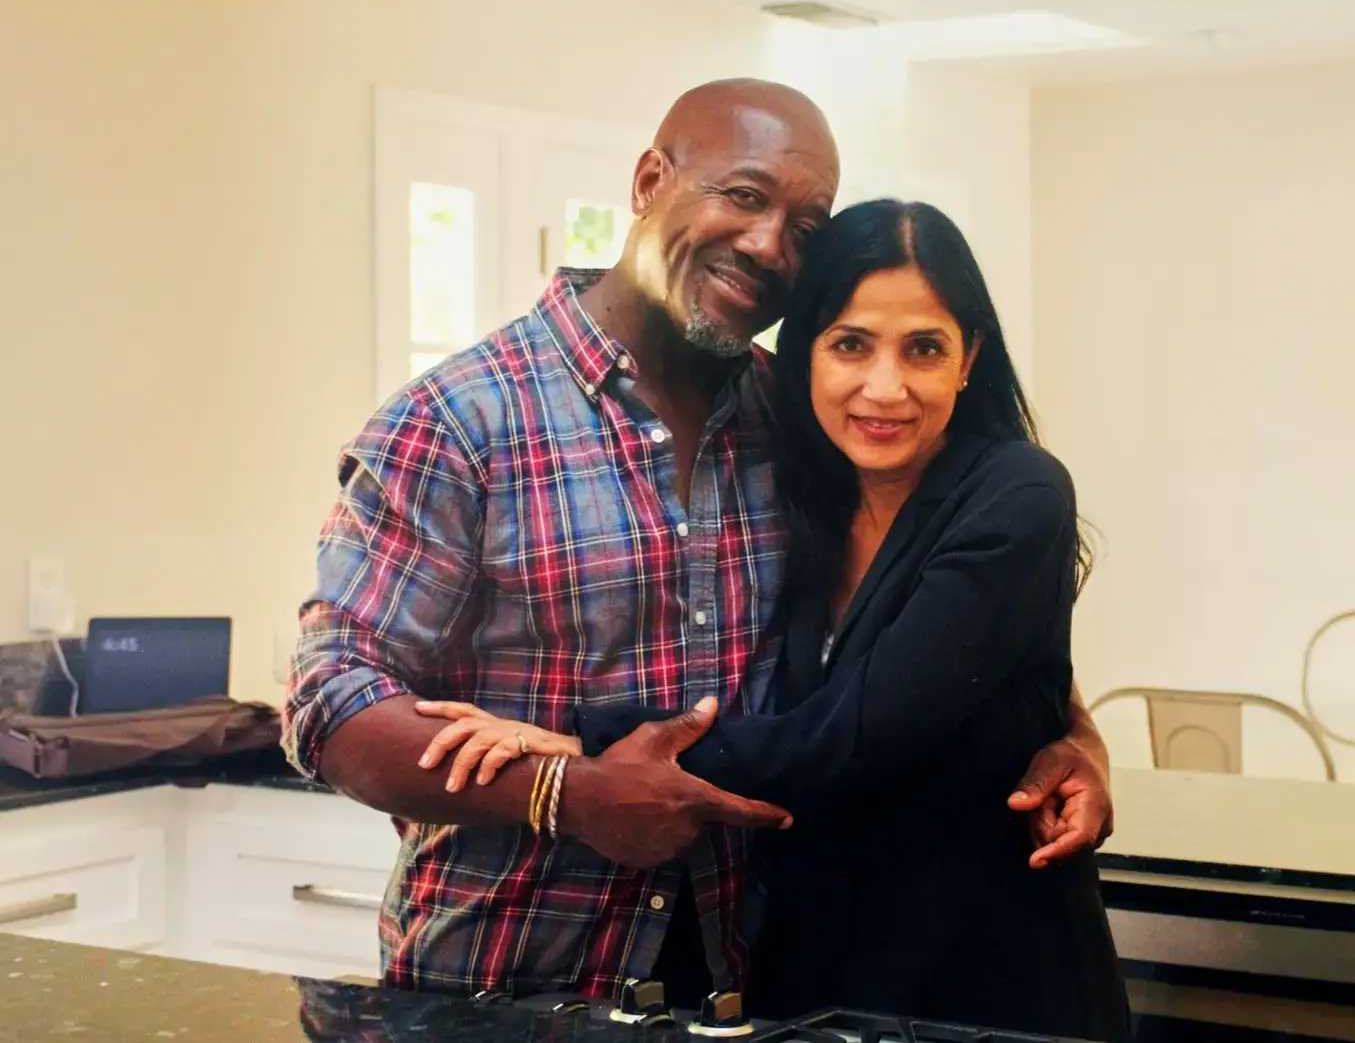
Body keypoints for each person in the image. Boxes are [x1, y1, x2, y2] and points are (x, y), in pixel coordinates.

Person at [283, 78, 1112, 1003]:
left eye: (805, 227)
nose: (767, 244)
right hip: (509, 979)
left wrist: (1072, 734)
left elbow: (931, 624)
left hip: (741, 981)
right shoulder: (460, 421)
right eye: (744, 195)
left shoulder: (798, 415)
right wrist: (563, 791)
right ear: (649, 182)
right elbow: (330, 702)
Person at [434, 199, 1129, 1039]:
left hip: (984, 985)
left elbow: (856, 732)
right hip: (809, 976)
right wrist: (1075, 727)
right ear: (802, 355)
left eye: (924, 348)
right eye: (851, 344)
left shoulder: (1017, 492)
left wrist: (581, 739)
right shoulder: (798, 488)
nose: (886, 387)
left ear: (968, 358)